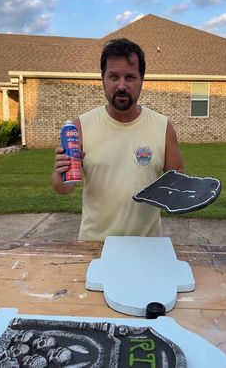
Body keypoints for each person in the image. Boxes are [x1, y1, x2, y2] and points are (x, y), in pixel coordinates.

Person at [52, 38, 184, 240]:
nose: (121, 86)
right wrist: (59, 173)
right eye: (114, 77)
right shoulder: (80, 127)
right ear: (103, 78)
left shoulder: (163, 126)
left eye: (130, 77)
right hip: (95, 246)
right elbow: (64, 189)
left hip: (147, 245)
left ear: (141, 80)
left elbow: (178, 181)